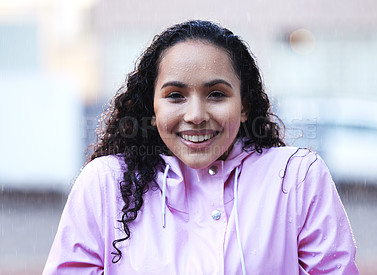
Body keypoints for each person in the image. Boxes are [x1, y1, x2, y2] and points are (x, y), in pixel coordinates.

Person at [43, 20, 359, 274]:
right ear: (152, 108)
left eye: (217, 94)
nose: (195, 115)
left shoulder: (297, 176)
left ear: (244, 104)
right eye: (175, 96)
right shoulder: (104, 183)